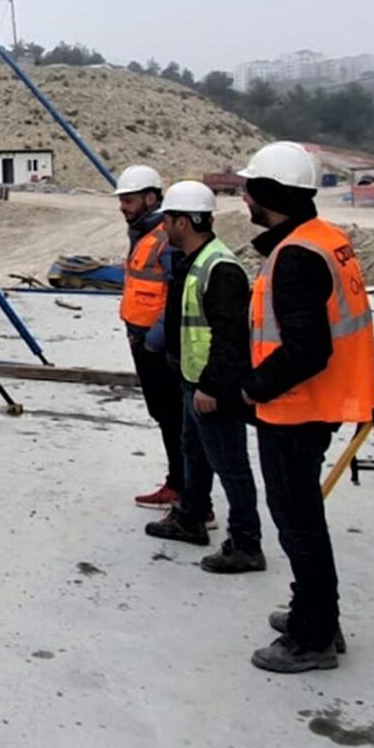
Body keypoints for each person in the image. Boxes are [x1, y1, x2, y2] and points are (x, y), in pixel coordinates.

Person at [236, 140, 374, 673]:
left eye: (251, 188)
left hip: (298, 409)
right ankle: (316, 612)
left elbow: (307, 348)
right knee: (302, 519)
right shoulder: (322, 239)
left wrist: (253, 388)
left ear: (268, 194)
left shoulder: (296, 256)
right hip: (316, 405)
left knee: (298, 523)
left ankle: (313, 636)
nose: (245, 197)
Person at [142, 181, 264, 570]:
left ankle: (246, 543)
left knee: (230, 463)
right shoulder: (191, 263)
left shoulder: (220, 267)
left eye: (168, 221)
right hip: (191, 380)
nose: (163, 228)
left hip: (212, 387)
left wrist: (212, 386)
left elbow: (231, 338)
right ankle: (191, 517)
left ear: (184, 222)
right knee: (194, 451)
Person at [116, 166, 186, 510]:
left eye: (128, 200)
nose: (123, 207)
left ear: (150, 198)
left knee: (173, 415)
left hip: (157, 346)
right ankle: (180, 483)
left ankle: (184, 488)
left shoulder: (164, 237)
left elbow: (176, 297)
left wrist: (153, 340)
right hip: (142, 340)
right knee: (165, 414)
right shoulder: (143, 235)